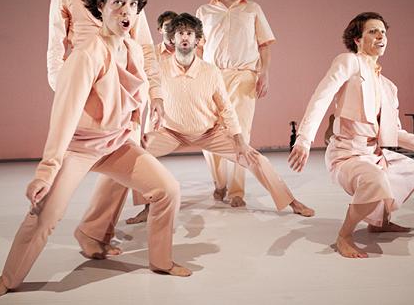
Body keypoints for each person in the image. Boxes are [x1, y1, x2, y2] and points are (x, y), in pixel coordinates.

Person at [0, 0, 191, 298]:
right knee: (46, 214)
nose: (127, 11)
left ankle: (161, 261)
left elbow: (136, 97)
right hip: (79, 147)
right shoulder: (86, 55)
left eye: (133, 4)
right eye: (118, 2)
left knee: (167, 189)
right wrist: (46, 172)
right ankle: (7, 279)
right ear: (100, 6)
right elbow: (64, 116)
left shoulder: (132, 49)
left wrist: (138, 130)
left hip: (116, 144)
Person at [74, 13, 314, 257]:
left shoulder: (210, 71)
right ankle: (105, 226)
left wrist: (239, 140)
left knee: (254, 158)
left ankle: (290, 201)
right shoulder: (158, 68)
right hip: (170, 133)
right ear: (172, 39)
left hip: (209, 132)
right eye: (180, 33)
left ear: (198, 39)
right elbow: (140, 95)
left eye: (190, 33)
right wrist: (140, 131)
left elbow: (226, 108)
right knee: (126, 159)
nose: (185, 37)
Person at [288, 12, 414, 258]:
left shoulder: (389, 86)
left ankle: (380, 222)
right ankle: (344, 236)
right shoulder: (349, 62)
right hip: (346, 155)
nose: (381, 36)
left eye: (383, 32)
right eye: (373, 31)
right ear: (357, 39)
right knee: (375, 180)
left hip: (374, 153)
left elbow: (395, 133)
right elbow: (321, 97)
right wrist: (304, 139)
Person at [47, 0, 163, 123]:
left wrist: (156, 93)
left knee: (128, 142)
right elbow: (55, 52)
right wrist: (67, 90)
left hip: (128, 86)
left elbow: (145, 46)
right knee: (84, 142)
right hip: (85, 84)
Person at [197, 0, 275, 207]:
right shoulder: (204, 11)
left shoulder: (252, 9)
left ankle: (237, 191)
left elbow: (264, 44)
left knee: (240, 133)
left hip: (243, 76)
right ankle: (219, 182)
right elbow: (197, 48)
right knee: (208, 132)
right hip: (212, 76)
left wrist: (264, 74)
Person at [126, 11, 178, 225]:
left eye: (175, 27)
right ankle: (147, 207)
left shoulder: (191, 51)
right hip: (159, 116)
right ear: (159, 30)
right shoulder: (151, 55)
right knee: (142, 155)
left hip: (188, 116)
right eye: (167, 27)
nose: (171, 31)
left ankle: (224, 188)